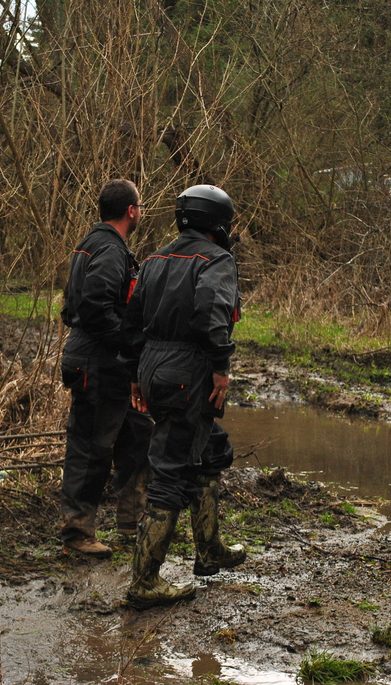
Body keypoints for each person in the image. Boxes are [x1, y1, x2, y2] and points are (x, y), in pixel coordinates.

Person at [119, 184, 247, 610]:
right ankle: (145, 580)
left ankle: (208, 549)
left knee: (210, 447)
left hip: (153, 368)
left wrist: (136, 375)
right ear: (219, 223)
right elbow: (212, 315)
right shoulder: (217, 260)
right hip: (188, 371)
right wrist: (221, 368)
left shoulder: (154, 259)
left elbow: (131, 319)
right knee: (171, 468)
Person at [59, 179, 153, 558]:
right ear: (131, 211)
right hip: (96, 362)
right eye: (141, 205)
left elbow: (72, 304)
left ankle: (133, 523)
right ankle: (77, 534)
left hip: (107, 362)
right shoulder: (110, 251)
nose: (141, 211)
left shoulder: (90, 244)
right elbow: (95, 307)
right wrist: (129, 343)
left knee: (136, 436)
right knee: (91, 448)